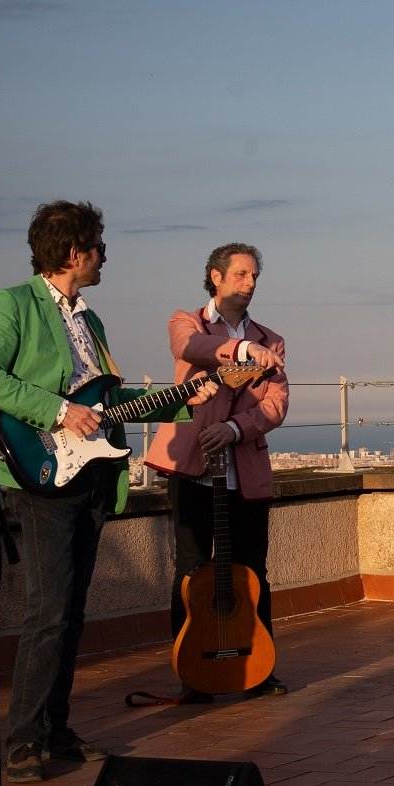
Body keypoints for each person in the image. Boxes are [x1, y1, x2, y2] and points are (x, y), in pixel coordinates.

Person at [0, 201, 212, 782]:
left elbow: (110, 400)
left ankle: (56, 730)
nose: (106, 255)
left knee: (70, 610)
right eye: (100, 245)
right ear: (75, 252)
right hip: (41, 472)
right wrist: (56, 410)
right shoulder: (14, 303)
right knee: (48, 609)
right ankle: (24, 741)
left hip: (91, 475)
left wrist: (184, 398)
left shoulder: (90, 321)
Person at [144, 242, 290, 702]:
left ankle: (257, 668)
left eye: (254, 277)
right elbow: (195, 349)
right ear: (216, 276)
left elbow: (276, 404)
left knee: (253, 573)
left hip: (242, 470)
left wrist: (234, 428)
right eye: (242, 275)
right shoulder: (186, 322)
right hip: (193, 470)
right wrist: (243, 347)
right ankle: (193, 675)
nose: (250, 285)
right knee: (189, 574)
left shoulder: (273, 340)